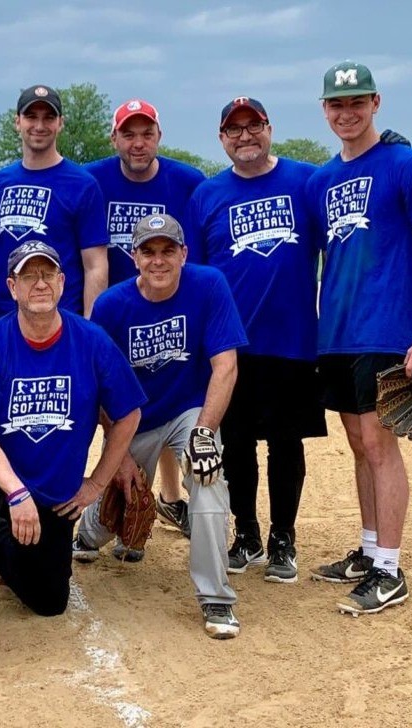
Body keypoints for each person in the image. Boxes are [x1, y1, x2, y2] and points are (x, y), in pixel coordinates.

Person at [0, 240, 142, 691]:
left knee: (49, 601)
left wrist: (96, 484)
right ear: (12, 287)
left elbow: (128, 414)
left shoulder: (90, 341)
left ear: (63, 283)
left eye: (49, 274)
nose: (41, 283)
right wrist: (16, 493)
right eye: (29, 276)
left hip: (54, 488)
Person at [306, 61, 412, 614]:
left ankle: (390, 570)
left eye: (357, 102)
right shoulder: (322, 180)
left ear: (376, 103)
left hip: (385, 328)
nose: (347, 112)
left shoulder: (407, 166)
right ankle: (369, 552)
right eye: (337, 104)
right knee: (358, 446)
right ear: (325, 110)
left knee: (379, 447)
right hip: (336, 334)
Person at [74, 214, 247, 639]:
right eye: (148, 251)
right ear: (134, 258)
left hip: (189, 410)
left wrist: (205, 433)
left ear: (184, 254)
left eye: (168, 250)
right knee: (112, 514)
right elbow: (97, 390)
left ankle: (216, 597)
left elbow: (225, 366)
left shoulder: (208, 285)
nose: (159, 260)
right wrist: (120, 456)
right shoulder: (112, 306)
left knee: (208, 478)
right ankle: (89, 532)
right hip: (133, 420)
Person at [187, 96, 326, 584]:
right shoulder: (207, 194)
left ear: (269, 129)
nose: (245, 135)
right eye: (234, 129)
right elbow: (197, 277)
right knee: (236, 446)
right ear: (222, 138)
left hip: (291, 339)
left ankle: (282, 538)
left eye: (254, 126)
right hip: (231, 345)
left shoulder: (306, 181)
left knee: (286, 445)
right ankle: (246, 533)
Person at [86, 98, 207, 542]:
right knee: (117, 407)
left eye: (147, 134)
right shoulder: (93, 180)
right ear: (115, 137)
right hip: (116, 313)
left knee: (172, 398)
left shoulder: (189, 182)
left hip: (171, 307)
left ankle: (172, 499)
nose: (138, 144)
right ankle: (116, 491)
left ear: (159, 136)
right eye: (129, 134)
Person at [0, 85, 108, 324]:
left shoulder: (83, 184)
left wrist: (89, 327)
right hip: (2, 322)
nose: (39, 126)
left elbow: (95, 266)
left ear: (60, 123)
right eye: (31, 117)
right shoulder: (1, 181)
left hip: (60, 322)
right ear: (17, 122)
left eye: (48, 117)